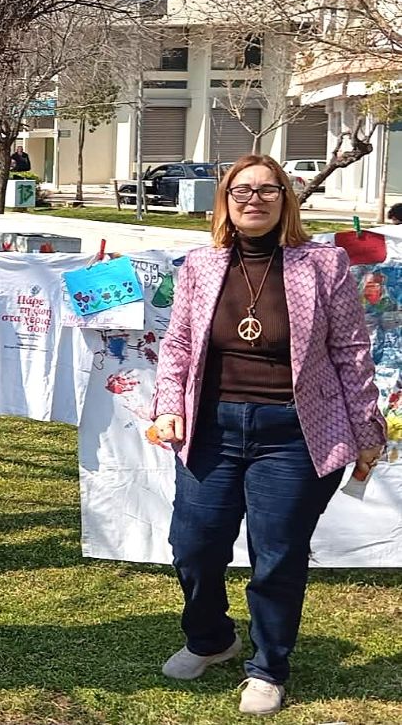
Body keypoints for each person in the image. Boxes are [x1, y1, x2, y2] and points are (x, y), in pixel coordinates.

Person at [151, 154, 385, 716]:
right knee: (194, 545)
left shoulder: (323, 264)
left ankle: (268, 667)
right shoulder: (201, 264)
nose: (253, 198)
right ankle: (211, 638)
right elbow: (178, 344)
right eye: (241, 190)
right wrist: (168, 406)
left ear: (286, 199)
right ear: (225, 201)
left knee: (277, 554)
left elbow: (351, 351)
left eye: (267, 189)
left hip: (294, 433)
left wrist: (367, 429)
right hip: (212, 429)